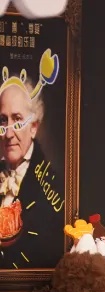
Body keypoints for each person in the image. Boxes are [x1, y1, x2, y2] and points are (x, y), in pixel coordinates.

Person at [0, 78, 58, 267]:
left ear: (33, 127)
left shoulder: (54, 185)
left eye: (17, 120)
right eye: (3, 120)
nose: (8, 134)